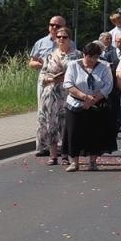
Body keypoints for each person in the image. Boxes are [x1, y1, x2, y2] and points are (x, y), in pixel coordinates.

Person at [63, 41, 115, 172]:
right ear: (84, 55)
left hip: (96, 104)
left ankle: (93, 161)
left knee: (95, 133)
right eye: (90, 57)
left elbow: (108, 86)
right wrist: (84, 97)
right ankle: (74, 162)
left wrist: (93, 100)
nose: (93, 60)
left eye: (96, 57)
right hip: (76, 103)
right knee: (74, 132)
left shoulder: (104, 66)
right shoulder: (73, 65)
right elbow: (68, 84)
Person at [36, 23, 73, 165]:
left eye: (64, 37)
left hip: (68, 94)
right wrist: (51, 79)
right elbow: (42, 76)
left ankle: (65, 155)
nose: (61, 39)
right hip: (51, 94)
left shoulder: (77, 55)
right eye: (58, 37)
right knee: (51, 124)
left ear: (70, 39)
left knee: (66, 124)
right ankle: (53, 156)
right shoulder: (50, 56)